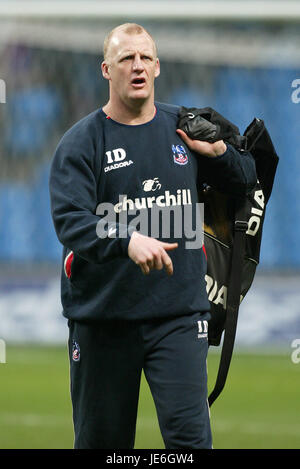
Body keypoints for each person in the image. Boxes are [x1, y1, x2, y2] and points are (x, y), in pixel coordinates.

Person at [49, 23, 256, 449]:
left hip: (178, 317)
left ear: (158, 66)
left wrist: (221, 154)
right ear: (107, 70)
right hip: (103, 321)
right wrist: (126, 240)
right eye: (126, 59)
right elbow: (71, 219)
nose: (137, 66)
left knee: (189, 444)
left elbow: (245, 182)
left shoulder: (187, 128)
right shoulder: (81, 143)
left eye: (145, 58)